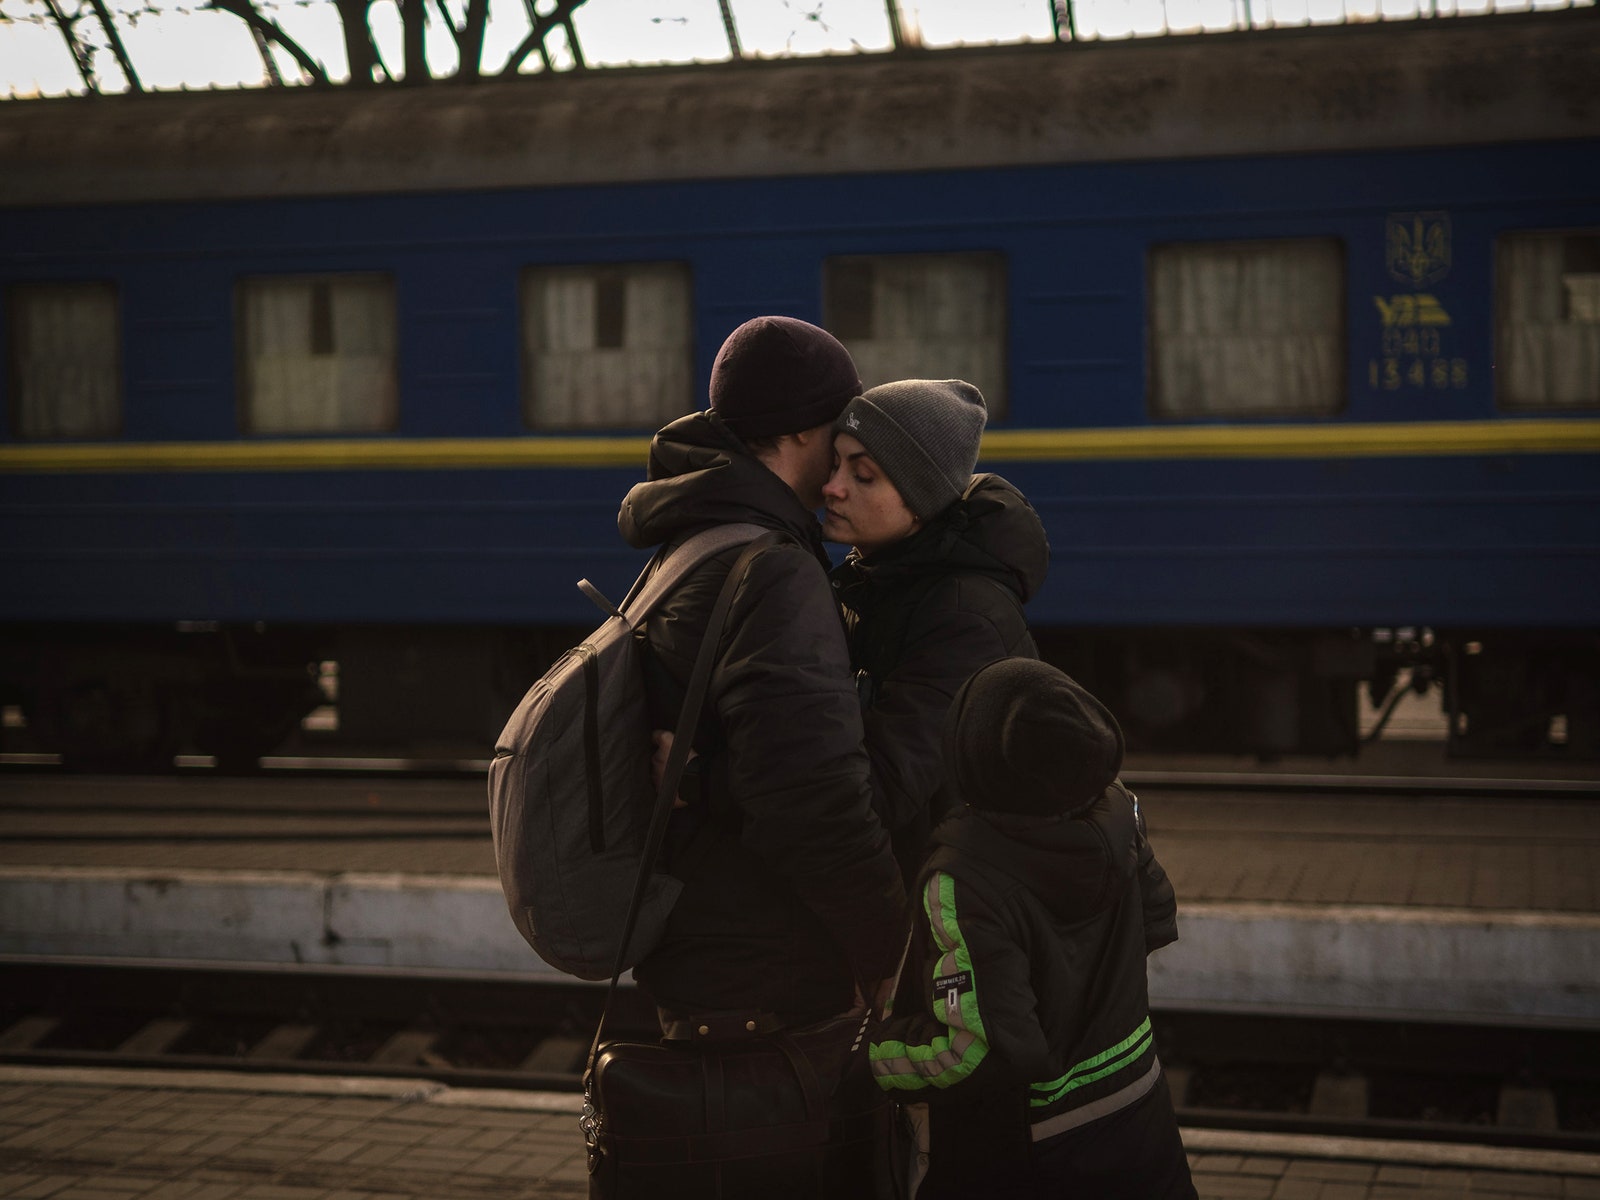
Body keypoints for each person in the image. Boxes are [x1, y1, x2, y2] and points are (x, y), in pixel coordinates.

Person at [617, 316, 909, 1055]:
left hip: (706, 945)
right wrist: (891, 959)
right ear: (804, 432)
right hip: (767, 971)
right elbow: (815, 801)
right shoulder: (771, 567)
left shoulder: (696, 536)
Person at [868, 657, 1195, 1200]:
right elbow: (1156, 919)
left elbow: (980, 1053)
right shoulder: (1119, 810)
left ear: (970, 758)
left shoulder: (961, 880)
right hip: (1138, 1115)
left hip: (1033, 1153)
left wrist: (874, 1055)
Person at [821, 379, 1048, 882]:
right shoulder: (880, 583)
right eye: (834, 465)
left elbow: (878, 789)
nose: (833, 487)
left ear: (921, 500)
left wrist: (710, 781)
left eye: (863, 475)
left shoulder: (962, 617)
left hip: (952, 906)